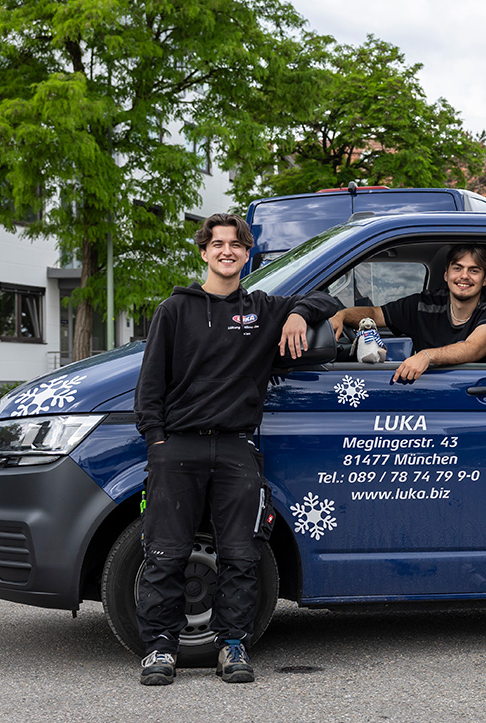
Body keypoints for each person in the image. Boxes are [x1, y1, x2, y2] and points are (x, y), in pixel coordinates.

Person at [133, 213, 339, 686]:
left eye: (237, 245)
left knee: (241, 554)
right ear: (204, 252)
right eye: (218, 243)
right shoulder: (174, 310)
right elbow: (149, 388)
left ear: (248, 256)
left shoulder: (263, 308)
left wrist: (296, 314)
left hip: (236, 448)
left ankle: (232, 644)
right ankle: (160, 649)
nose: (227, 251)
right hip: (177, 448)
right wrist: (157, 443)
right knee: (164, 552)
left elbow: (327, 298)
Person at [331, 244, 486, 382]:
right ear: (446, 275)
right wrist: (342, 315)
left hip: (470, 389)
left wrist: (426, 356)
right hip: (428, 387)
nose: (464, 276)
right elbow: (374, 314)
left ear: (485, 279)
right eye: (457, 268)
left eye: (474, 270)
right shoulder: (424, 303)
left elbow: (474, 348)